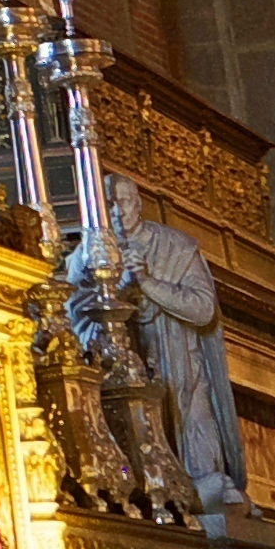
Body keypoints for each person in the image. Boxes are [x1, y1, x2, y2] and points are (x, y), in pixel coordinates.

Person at [111, 170, 247, 495]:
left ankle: (201, 482)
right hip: (125, 375)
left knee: (195, 429)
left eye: (124, 203)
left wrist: (146, 282)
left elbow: (202, 308)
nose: (117, 211)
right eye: (109, 204)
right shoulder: (92, 252)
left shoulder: (177, 247)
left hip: (181, 368)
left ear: (139, 204)